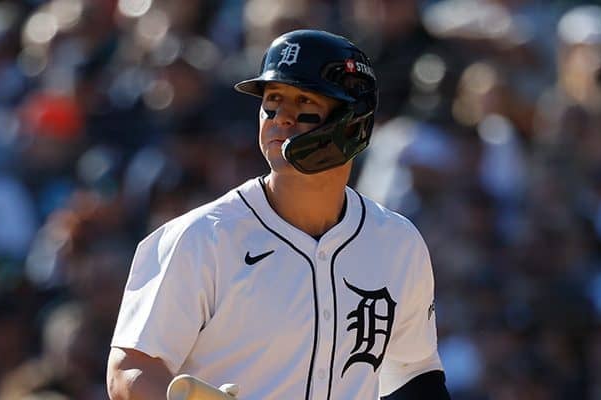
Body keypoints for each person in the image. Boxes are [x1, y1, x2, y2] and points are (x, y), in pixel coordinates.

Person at [107, 29, 450, 400]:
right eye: (272, 101)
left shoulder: (396, 242)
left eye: (303, 101)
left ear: (354, 122)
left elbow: (414, 374)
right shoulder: (202, 238)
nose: (281, 118)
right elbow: (129, 371)